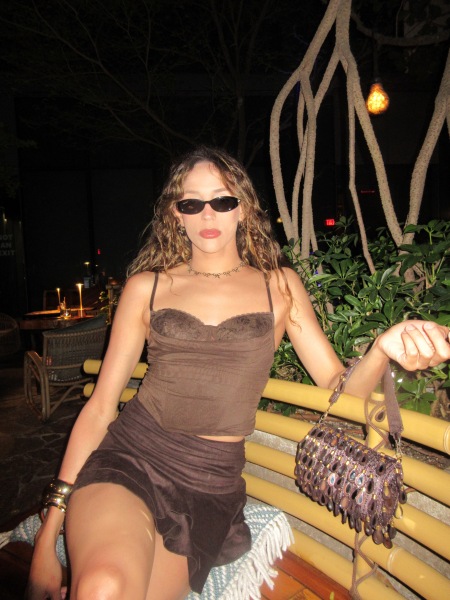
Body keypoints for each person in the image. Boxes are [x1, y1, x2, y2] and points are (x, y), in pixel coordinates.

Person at [27, 146, 450, 600]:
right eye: (192, 203)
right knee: (104, 587)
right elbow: (100, 408)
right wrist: (47, 538)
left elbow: (337, 388)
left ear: (243, 208)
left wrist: (382, 349)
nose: (208, 214)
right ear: (176, 214)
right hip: (131, 458)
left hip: (209, 486)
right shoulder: (146, 287)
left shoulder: (279, 286)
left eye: (223, 201)